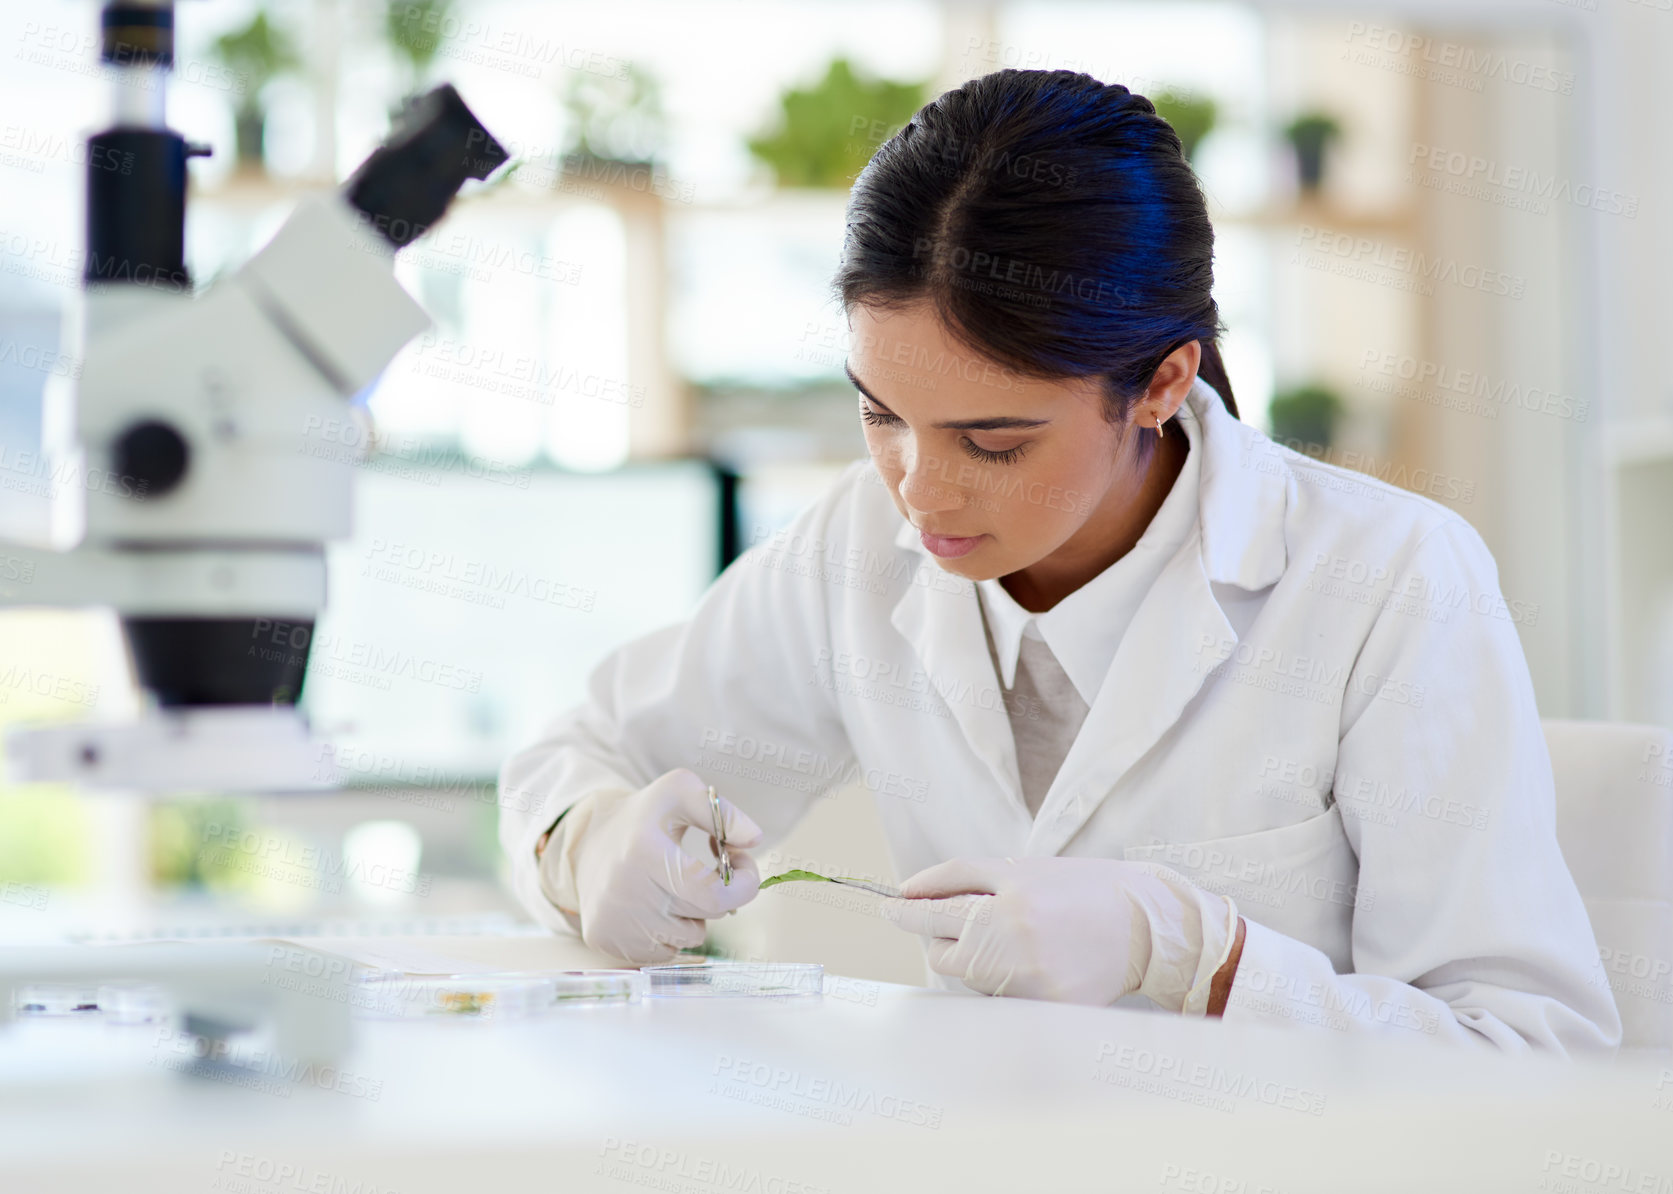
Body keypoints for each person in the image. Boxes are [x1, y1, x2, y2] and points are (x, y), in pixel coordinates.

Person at [499, 70, 1620, 1053]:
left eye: (993, 440)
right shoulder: (861, 542)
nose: (917, 489)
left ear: (1163, 384)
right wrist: (583, 840)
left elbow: (1516, 1052)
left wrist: (1194, 953)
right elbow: (580, 752)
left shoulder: (1387, 581)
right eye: (880, 414)